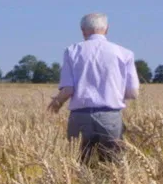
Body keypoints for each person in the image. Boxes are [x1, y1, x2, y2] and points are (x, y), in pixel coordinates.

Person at [48, 13, 140, 164]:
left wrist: (55, 104)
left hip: (79, 117)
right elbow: (133, 93)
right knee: (113, 169)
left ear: (82, 30)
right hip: (110, 117)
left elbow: (68, 89)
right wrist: (112, 92)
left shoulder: (72, 51)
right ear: (107, 29)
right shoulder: (125, 53)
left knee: (80, 166)